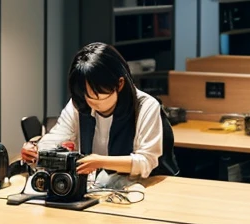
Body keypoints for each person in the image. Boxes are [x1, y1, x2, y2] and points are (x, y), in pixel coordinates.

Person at [21, 42, 178, 178]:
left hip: (142, 189)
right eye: (87, 96)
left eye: (98, 97)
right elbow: (59, 136)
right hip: (100, 188)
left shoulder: (145, 106)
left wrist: (100, 162)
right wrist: (37, 150)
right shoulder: (81, 103)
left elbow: (146, 161)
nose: (92, 103)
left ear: (119, 84)